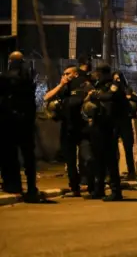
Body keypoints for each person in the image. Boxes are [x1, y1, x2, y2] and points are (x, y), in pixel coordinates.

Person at [44, 66, 94, 197]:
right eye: (64, 74)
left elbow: (92, 101)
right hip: (67, 128)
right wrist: (60, 85)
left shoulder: (85, 85)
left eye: (68, 73)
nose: (65, 75)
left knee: (88, 158)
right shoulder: (64, 88)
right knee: (70, 161)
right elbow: (46, 98)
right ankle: (74, 187)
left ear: (75, 74)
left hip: (83, 128)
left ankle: (92, 186)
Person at [0, 52, 39, 202]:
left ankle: (14, 184)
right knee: (29, 157)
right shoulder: (28, 79)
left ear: (10, 61)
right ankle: (31, 188)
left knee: (10, 155)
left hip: (9, 123)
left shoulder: (5, 78)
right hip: (26, 124)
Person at [85, 63, 126, 201]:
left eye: (97, 73)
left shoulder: (113, 85)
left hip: (110, 126)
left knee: (110, 160)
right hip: (99, 126)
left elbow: (109, 97)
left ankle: (116, 191)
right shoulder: (99, 86)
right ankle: (99, 189)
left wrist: (95, 95)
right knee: (98, 159)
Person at [112, 71, 137, 180]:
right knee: (113, 149)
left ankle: (131, 172)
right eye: (115, 79)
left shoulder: (127, 90)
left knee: (128, 148)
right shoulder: (111, 91)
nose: (117, 81)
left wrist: (130, 97)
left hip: (125, 121)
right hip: (114, 122)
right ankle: (114, 173)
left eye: (119, 79)